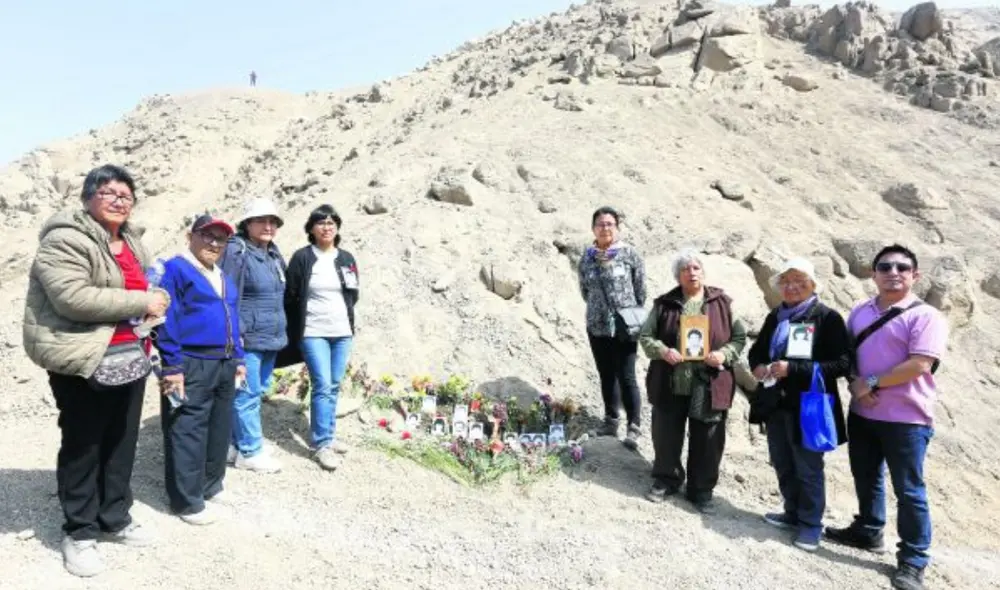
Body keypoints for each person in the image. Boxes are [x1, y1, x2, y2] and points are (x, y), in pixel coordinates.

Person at [22, 164, 170, 577]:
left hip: (131, 356)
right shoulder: (64, 239)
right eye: (109, 192)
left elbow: (148, 285)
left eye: (127, 194)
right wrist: (142, 301)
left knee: (122, 440)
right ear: (88, 198)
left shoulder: (132, 242)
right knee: (84, 443)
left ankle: (115, 516)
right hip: (84, 358)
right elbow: (72, 297)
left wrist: (155, 300)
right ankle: (80, 531)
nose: (120, 200)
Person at [824, 244, 948, 590]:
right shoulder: (860, 312)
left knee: (909, 490)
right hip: (863, 411)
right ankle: (868, 529)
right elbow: (848, 354)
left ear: (915, 275)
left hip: (907, 417)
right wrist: (855, 384)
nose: (893, 272)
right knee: (866, 475)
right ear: (874, 273)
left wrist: (872, 382)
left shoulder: (926, 316)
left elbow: (920, 363)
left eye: (902, 267)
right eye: (885, 266)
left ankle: (912, 559)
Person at [747, 257, 850, 552]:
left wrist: (794, 369)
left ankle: (810, 525)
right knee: (781, 460)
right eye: (786, 281)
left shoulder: (827, 318)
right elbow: (757, 351)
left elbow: (842, 364)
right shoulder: (776, 316)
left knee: (808, 466)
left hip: (807, 405)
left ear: (812, 285)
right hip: (776, 402)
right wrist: (758, 367)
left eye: (799, 281)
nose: (791, 286)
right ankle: (791, 512)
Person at [638, 248, 746, 513]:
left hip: (709, 382)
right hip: (671, 381)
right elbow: (645, 337)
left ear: (703, 272)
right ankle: (667, 479)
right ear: (678, 276)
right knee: (666, 434)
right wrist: (664, 351)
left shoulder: (723, 303)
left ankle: (701, 490)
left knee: (708, 438)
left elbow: (739, 338)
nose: (691, 272)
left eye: (696, 267)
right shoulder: (664, 304)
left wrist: (723, 353)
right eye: (685, 269)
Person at [156, 215, 247, 526]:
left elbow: (234, 318)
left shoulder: (222, 275)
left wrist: (240, 358)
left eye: (220, 239)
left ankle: (211, 484)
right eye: (207, 235)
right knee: (187, 429)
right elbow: (167, 319)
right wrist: (172, 365)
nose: (214, 243)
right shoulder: (176, 269)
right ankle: (186, 501)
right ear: (190, 236)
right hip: (192, 361)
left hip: (225, 362)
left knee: (218, 427)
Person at [283, 205, 360, 471]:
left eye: (331, 222)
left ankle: (328, 434)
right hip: (313, 331)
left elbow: (353, 293)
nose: (327, 227)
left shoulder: (346, 257)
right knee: (322, 383)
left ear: (337, 227)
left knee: (334, 384)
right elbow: (291, 296)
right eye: (321, 223)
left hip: (342, 331)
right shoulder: (303, 257)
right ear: (311, 229)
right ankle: (320, 444)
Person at [220, 197, 288, 473]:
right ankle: (250, 451)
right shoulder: (237, 252)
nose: (268, 226)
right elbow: (229, 295)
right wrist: (237, 336)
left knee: (255, 392)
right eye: (261, 220)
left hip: (270, 336)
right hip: (248, 338)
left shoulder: (272, 253)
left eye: (273, 221)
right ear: (247, 223)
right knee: (246, 395)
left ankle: (236, 444)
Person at [577, 206, 647, 449]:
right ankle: (611, 421)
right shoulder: (586, 258)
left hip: (625, 324)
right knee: (606, 373)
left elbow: (640, 290)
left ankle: (634, 427)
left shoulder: (629, 254)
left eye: (609, 224)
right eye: (600, 224)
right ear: (593, 228)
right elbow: (584, 291)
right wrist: (599, 310)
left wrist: (628, 313)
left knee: (626, 375)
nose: (605, 228)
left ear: (617, 228)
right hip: (597, 325)